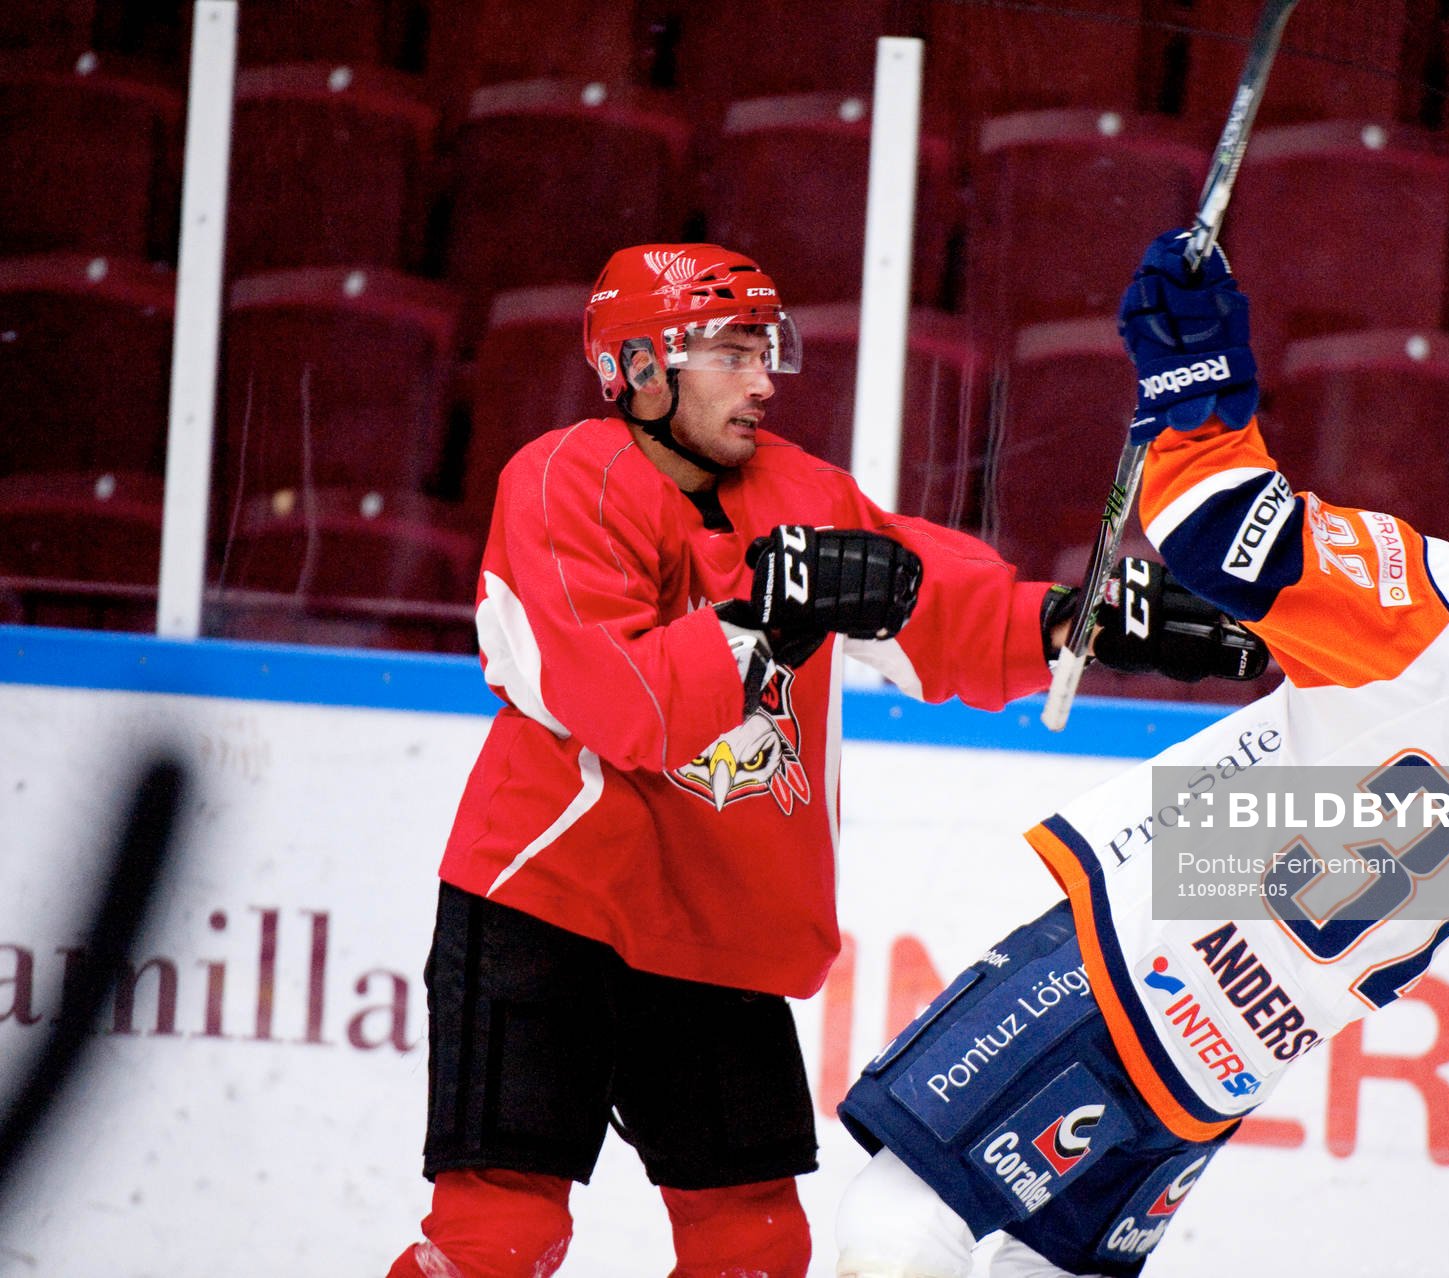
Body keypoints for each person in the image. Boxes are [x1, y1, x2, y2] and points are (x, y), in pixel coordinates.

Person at [831, 229, 1449, 1278]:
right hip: (1221, 1075)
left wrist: (1199, 374)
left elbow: (1218, 531)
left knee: (899, 1222)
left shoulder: (1446, 616)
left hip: (1119, 975)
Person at [383, 243, 1267, 1278]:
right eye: (730, 353)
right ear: (640, 368)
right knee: (499, 1236)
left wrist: (1078, 622)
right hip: (549, 906)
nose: (763, 380)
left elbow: (936, 603)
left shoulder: (798, 489)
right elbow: (621, 706)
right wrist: (770, 614)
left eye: (766, 351)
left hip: (711, 926)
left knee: (754, 1248)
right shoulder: (561, 483)